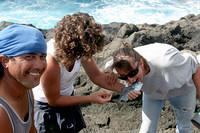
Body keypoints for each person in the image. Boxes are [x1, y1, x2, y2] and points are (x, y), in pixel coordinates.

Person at [33, 12, 124, 133]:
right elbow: (54, 100)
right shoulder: (51, 62)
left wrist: (125, 89)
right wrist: (90, 98)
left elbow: (95, 75)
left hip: (68, 99)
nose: (88, 54)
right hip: (46, 109)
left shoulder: (81, 49)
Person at [106, 42, 200, 133]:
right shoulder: (121, 59)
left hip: (182, 90)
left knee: (185, 127)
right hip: (154, 93)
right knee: (147, 129)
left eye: (133, 73)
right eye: (123, 77)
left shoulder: (167, 63)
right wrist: (122, 87)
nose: (130, 80)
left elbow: (195, 66)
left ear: (141, 62)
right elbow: (107, 67)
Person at [0, 24, 47, 133]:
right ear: (5, 61)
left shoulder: (27, 91)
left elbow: (31, 129)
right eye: (28, 57)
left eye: (42, 57)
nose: (39, 65)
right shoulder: (2, 113)